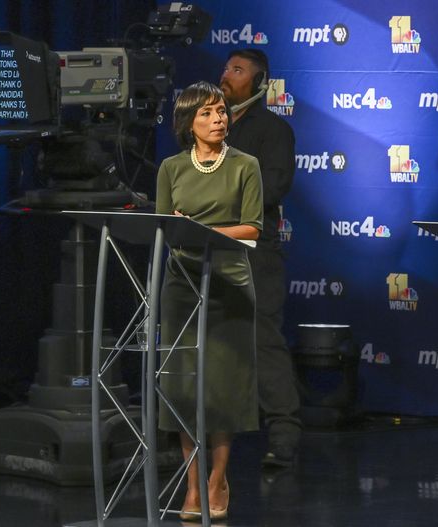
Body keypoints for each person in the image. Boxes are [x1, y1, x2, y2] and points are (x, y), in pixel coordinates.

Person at [156, 81, 263, 520]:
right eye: (208, 113)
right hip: (181, 286)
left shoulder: (245, 165)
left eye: (221, 111)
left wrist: (205, 233)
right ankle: (193, 484)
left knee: (221, 388)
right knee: (184, 388)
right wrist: (180, 230)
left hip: (229, 285)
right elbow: (164, 227)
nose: (219, 119)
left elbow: (253, 227)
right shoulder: (170, 168)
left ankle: (218, 479)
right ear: (189, 123)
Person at [219, 48, 301, 468]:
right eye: (226, 68)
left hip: (253, 251)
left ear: (260, 82)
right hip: (207, 248)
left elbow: (274, 188)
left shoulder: (273, 130)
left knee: (262, 340)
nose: (226, 75)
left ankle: (284, 434)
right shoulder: (208, 126)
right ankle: (195, 432)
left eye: (237, 70)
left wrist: (220, 196)